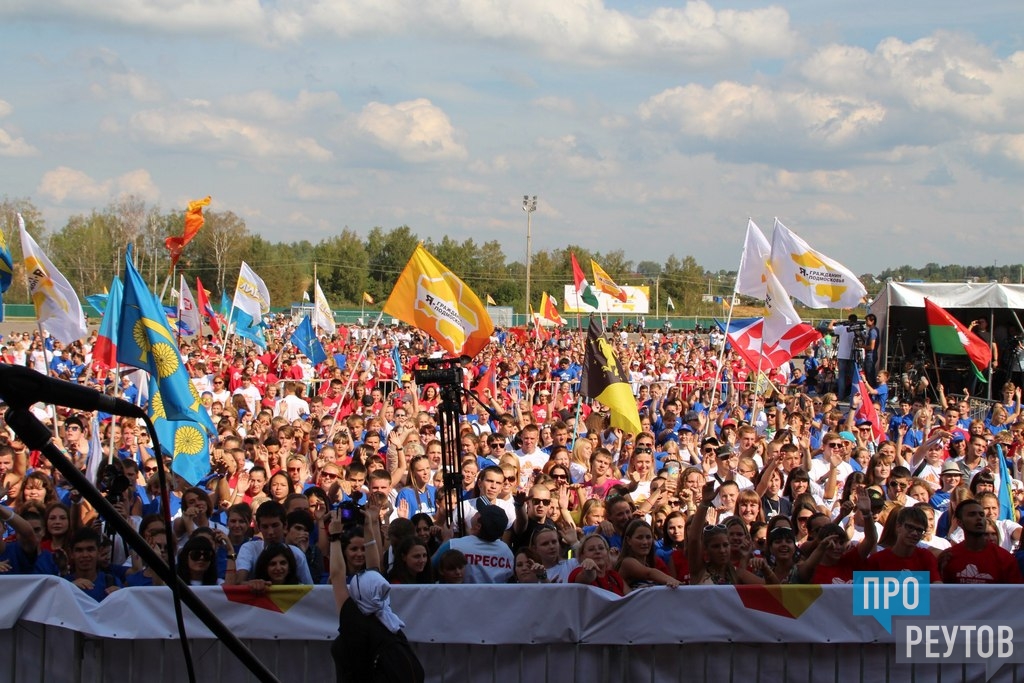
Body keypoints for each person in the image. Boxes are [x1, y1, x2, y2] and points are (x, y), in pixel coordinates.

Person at [328, 510, 425, 683]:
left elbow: (337, 575)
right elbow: (374, 564)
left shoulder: (353, 616)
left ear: (358, 592)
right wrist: (368, 526)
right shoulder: (384, 609)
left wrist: (335, 537)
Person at [939, 499, 1023, 584]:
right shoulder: (948, 557)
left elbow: (1016, 593)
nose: (979, 518)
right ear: (959, 522)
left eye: (982, 515)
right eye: (972, 515)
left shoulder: (1004, 558)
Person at [431, 505, 514, 583]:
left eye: (478, 512)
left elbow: (429, 567)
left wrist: (446, 539)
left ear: (478, 526)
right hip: (495, 597)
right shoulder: (507, 552)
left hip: (461, 597)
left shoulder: (454, 545)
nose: (475, 513)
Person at [863, 506, 941, 581]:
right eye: (910, 527)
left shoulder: (926, 558)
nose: (914, 533)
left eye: (919, 530)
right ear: (898, 526)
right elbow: (865, 592)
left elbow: (937, 586)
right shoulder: (877, 560)